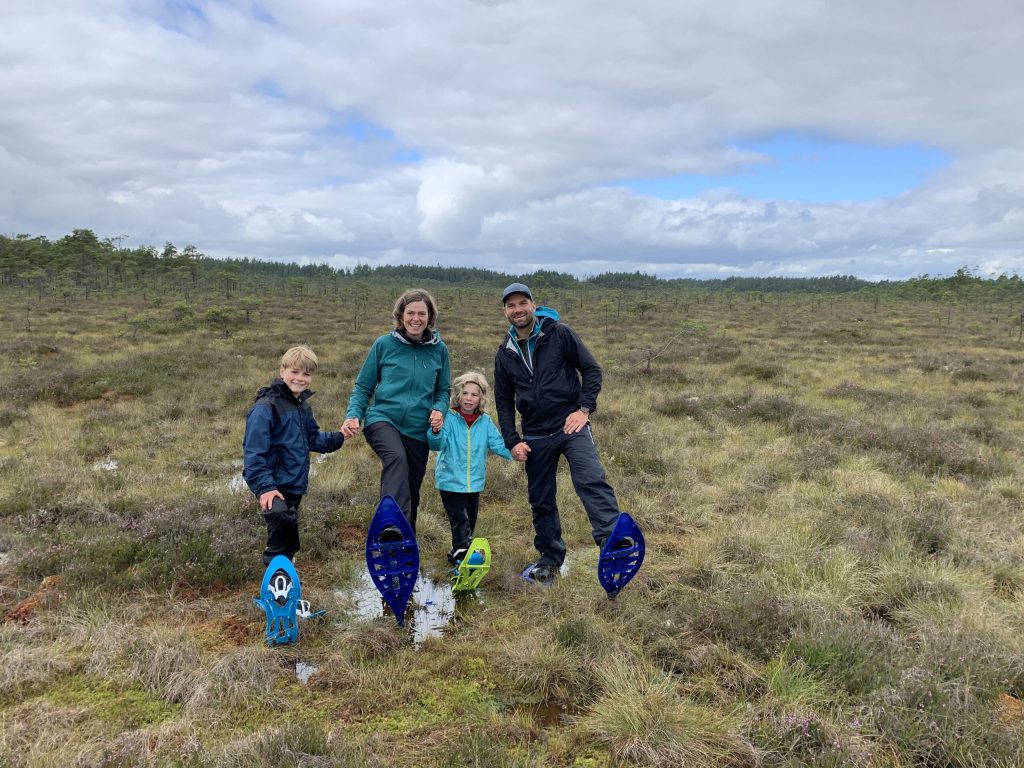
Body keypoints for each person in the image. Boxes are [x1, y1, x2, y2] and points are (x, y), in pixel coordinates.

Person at [493, 282, 627, 585]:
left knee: (590, 479)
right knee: (541, 499)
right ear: (505, 311)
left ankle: (612, 543)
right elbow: (502, 401)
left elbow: (591, 370)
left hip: (571, 425)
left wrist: (583, 409)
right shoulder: (505, 353)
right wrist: (512, 441)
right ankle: (550, 561)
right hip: (536, 434)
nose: (517, 310)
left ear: (533, 304)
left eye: (522, 303)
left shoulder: (559, 333)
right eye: (511, 305)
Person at [342, 288, 451, 534]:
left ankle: (404, 543)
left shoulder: (439, 350)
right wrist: (353, 414)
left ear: (430, 317)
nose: (416, 318)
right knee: (396, 458)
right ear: (401, 315)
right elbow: (363, 386)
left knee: (411, 487)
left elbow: (443, 390)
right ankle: (390, 523)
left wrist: (438, 409)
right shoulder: (384, 344)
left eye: (421, 313)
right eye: (410, 312)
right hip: (383, 419)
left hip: (417, 428)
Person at [243, 345, 344, 565]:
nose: (300, 378)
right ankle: (276, 581)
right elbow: (253, 455)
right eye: (294, 372)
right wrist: (266, 488)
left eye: (306, 374)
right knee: (281, 525)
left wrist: (340, 436)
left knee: (286, 530)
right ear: (282, 371)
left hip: (293, 483)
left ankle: (284, 581)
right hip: (273, 484)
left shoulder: (302, 406)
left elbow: (313, 439)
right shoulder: (265, 407)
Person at [427, 371, 513, 565]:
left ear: (481, 398)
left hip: (474, 483)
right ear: (458, 395)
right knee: (460, 521)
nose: (468, 398)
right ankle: (463, 556)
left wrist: (516, 452)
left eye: (474, 395)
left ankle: (456, 554)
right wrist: (435, 430)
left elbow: (499, 444)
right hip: (450, 481)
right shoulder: (447, 417)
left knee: (470, 523)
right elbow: (436, 445)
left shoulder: (485, 421)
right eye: (465, 393)